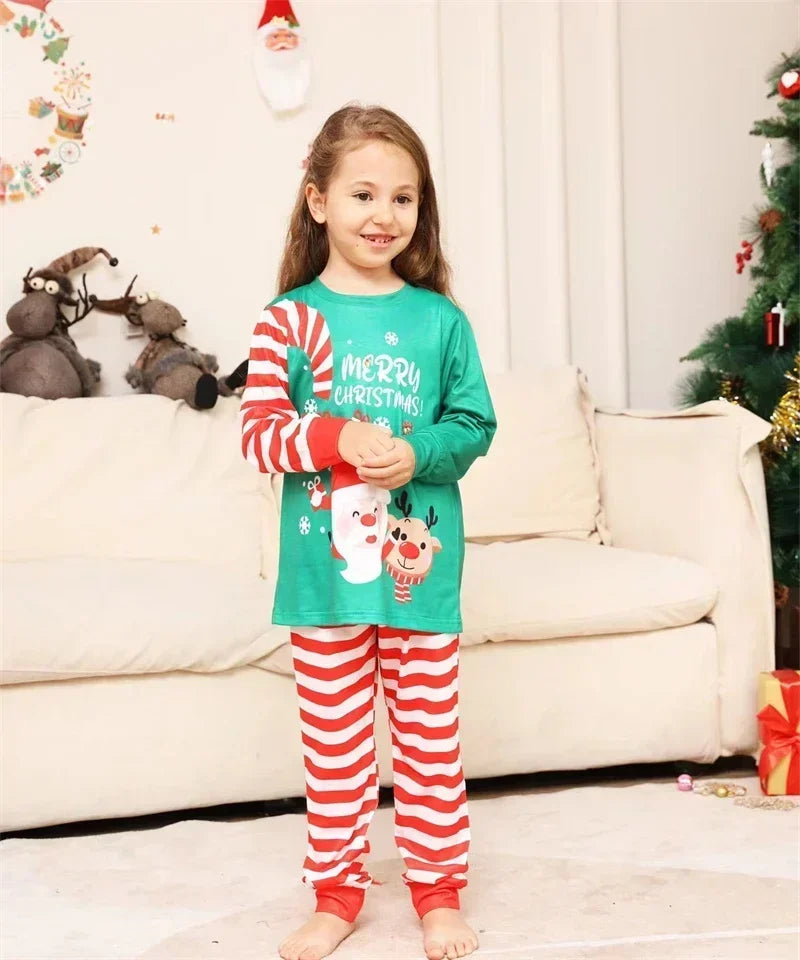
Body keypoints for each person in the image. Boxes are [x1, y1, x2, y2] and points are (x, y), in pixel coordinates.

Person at [239, 102, 497, 960]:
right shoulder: (287, 319)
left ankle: (437, 891)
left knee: (428, 744)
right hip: (322, 581)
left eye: (404, 198)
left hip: (420, 576)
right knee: (337, 753)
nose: (383, 216)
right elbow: (261, 432)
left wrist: (416, 452)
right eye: (362, 194)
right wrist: (336, 438)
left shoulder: (439, 321)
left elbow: (473, 427)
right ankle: (339, 893)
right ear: (318, 202)